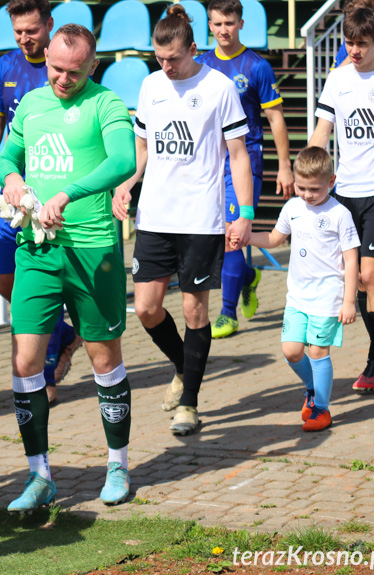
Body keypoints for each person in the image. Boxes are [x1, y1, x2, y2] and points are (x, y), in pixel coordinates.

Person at [0, 24, 137, 511]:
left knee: (104, 358)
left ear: (91, 66)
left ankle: (117, 464)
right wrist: (12, 178)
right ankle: (40, 477)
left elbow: (122, 161)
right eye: (55, 68)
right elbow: (7, 156)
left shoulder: (107, 104)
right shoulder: (33, 104)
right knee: (25, 362)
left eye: (73, 72)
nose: (61, 78)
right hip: (36, 247)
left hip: (93, 248)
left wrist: (67, 193)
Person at [113, 5, 252, 435]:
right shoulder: (150, 85)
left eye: (174, 58)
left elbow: (237, 155)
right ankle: (182, 365)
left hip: (200, 219)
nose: (167, 66)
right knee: (146, 308)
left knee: (194, 311)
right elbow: (143, 150)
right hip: (155, 216)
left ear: (193, 48)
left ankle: (189, 403)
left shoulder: (220, 87)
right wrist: (127, 184)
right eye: (160, 58)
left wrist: (243, 214)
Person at [0, 0, 80, 404]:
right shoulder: (6, 67)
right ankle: (64, 335)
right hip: (12, 196)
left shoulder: (65, 70)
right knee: (6, 283)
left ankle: (46, 375)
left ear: (48, 25)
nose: (25, 38)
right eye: (18, 32)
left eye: (31, 30)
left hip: (51, 194)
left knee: (39, 288)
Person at [235, 147, 358, 432]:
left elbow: (351, 260)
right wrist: (247, 238)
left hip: (328, 298)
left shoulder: (340, 214)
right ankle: (312, 389)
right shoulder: (292, 207)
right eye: (301, 187)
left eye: (314, 189)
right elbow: (275, 238)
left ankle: (322, 410)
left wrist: (349, 301)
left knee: (317, 352)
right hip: (297, 297)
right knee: (291, 351)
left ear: (331, 182)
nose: (306, 194)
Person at [309, 5, 374, 392]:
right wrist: (307, 178)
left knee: (369, 274)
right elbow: (321, 133)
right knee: (356, 280)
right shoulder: (338, 78)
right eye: (349, 42)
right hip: (345, 192)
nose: (354, 50)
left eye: (362, 43)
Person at [196, 0, 295, 339]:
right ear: (209, 25)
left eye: (229, 23)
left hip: (246, 159)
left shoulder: (257, 67)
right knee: (218, 233)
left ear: (241, 23)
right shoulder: (201, 66)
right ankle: (249, 275)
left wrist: (285, 166)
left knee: (234, 236)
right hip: (210, 159)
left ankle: (227, 314)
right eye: (217, 23)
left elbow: (275, 118)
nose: (223, 30)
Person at [333, 0, 374, 69]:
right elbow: (333, 76)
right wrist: (351, 58)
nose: (354, 50)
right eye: (350, 43)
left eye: (362, 43)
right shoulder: (348, 45)